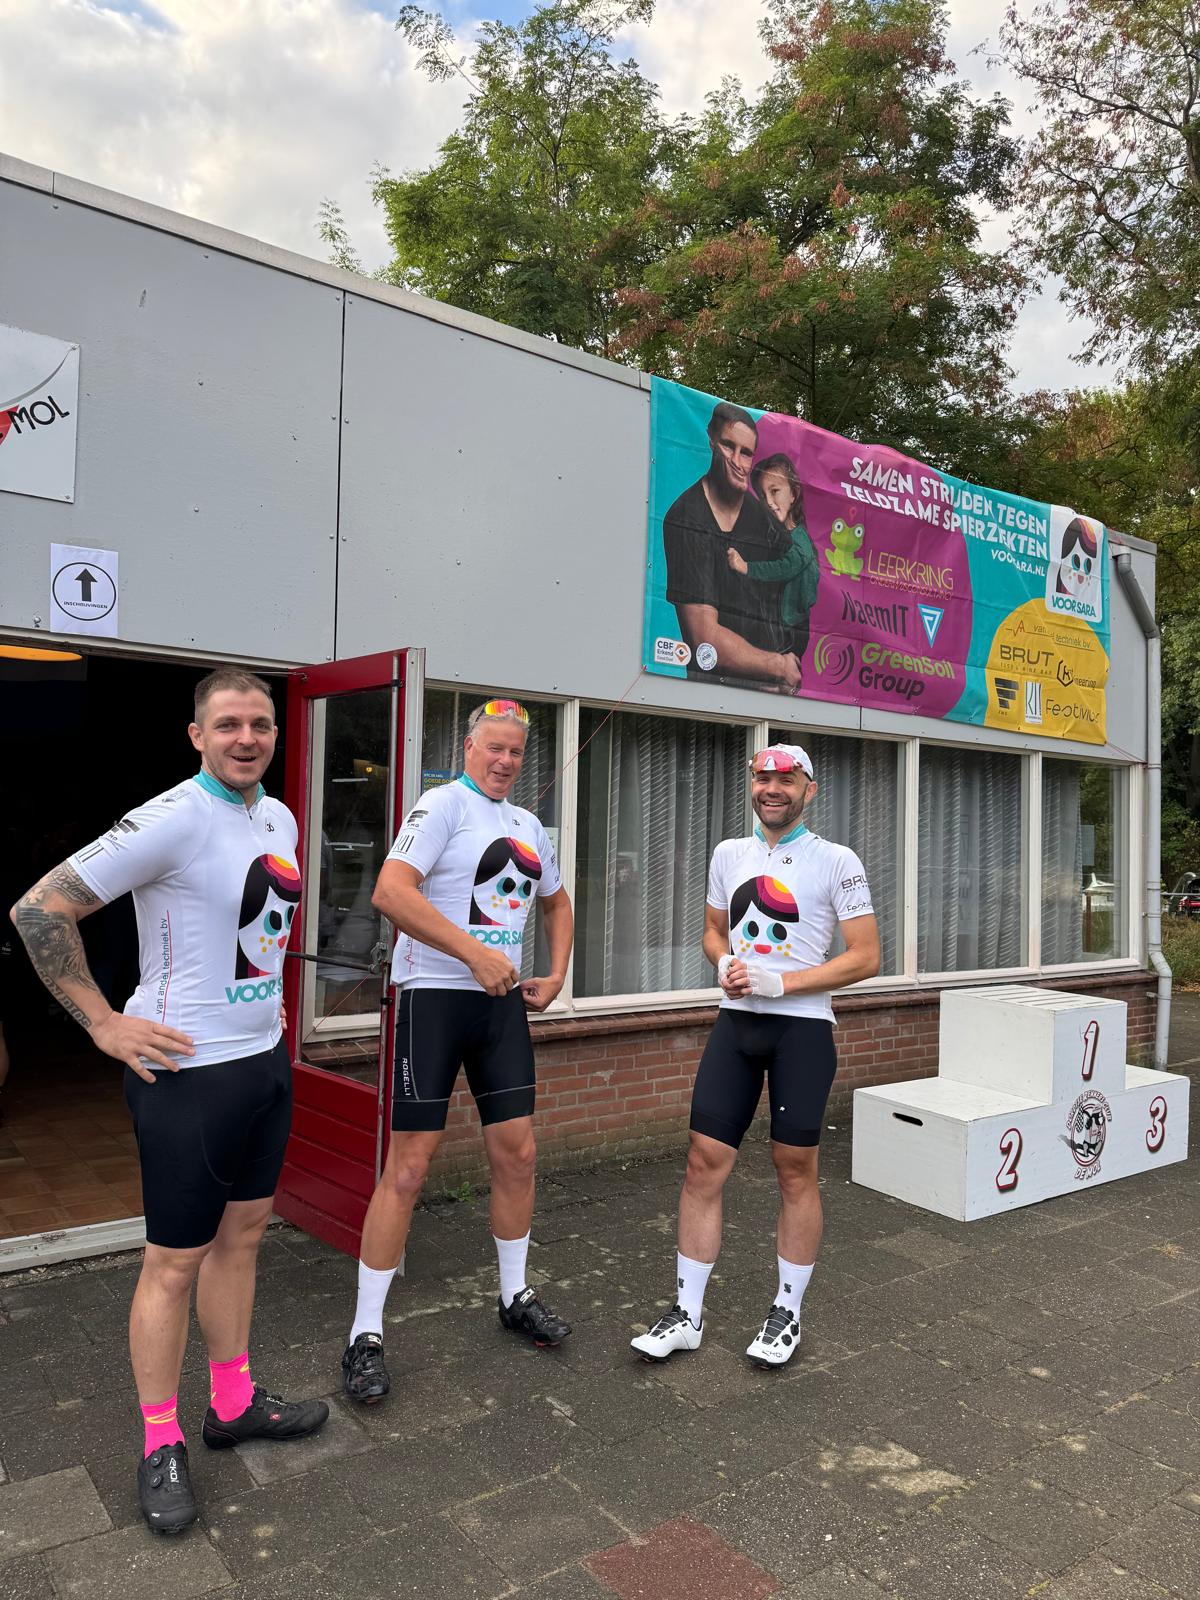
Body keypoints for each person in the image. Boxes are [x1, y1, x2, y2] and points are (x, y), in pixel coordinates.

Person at [9, 669, 327, 1536]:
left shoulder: (277, 817)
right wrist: (103, 1022)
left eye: (260, 724)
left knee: (244, 1236)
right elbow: (39, 910)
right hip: (186, 1077)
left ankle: (232, 1403)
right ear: (196, 735)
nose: (246, 738)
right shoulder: (171, 818)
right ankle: (159, 1442)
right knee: (173, 1263)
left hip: (261, 1065)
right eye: (227, 725)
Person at [341, 698, 574, 1404]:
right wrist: (473, 953)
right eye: (493, 747)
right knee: (409, 1168)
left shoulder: (526, 824)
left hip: (500, 1006)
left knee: (518, 1154)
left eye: (516, 751)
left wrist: (556, 974)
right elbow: (391, 892)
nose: (505, 760)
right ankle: (364, 1333)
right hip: (435, 1001)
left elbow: (557, 901)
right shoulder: (442, 805)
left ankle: (514, 1295)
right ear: (468, 747)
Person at [631, 743, 879, 1369]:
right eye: (763, 777)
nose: (773, 788)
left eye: (786, 780)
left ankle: (786, 1312)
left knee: (794, 1169)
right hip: (736, 1025)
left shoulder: (836, 860)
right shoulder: (728, 854)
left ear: (808, 790)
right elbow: (714, 931)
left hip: (802, 1030)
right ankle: (687, 1313)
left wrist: (781, 983)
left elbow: (866, 956)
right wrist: (723, 963)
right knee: (702, 1162)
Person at [663, 402, 801, 691]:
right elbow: (704, 639)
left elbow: (800, 578)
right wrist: (778, 666)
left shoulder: (762, 516)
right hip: (713, 697)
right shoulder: (687, 516)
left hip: (775, 693)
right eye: (729, 446)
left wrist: (790, 661)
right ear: (712, 443)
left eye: (746, 453)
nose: (738, 461)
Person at [727, 454, 820, 669]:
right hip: (781, 626)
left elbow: (785, 568)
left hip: (790, 629)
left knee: (781, 673)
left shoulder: (799, 538)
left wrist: (746, 567)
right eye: (762, 495)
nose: (768, 502)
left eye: (775, 491)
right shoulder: (775, 536)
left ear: (793, 494)